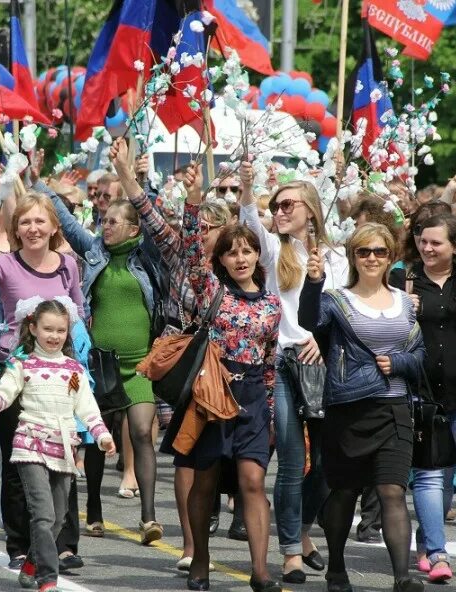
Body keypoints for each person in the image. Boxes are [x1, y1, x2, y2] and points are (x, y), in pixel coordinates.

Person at [0, 191, 84, 571]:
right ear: (16, 229)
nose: (33, 228)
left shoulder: (68, 267)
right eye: (25, 222)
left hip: (60, 376)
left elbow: (77, 311)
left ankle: (64, 543)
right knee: (18, 459)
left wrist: (77, 366)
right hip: (15, 372)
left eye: (40, 221)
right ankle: (20, 544)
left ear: (54, 227)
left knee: (62, 454)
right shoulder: (5, 265)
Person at [111, 145, 223, 569]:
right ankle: (192, 545)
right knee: (185, 451)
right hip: (181, 362)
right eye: (201, 223)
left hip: (224, 365)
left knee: (218, 458)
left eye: (214, 226)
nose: (204, 231)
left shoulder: (237, 262)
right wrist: (125, 172)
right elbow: (146, 208)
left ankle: (209, 521)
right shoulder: (180, 251)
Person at [43, 155, 165, 545]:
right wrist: (40, 181)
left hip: (141, 364)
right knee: (99, 436)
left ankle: (148, 517)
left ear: (133, 227)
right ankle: (93, 506)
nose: (104, 226)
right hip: (100, 365)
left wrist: (138, 175)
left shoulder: (148, 256)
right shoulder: (94, 250)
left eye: (113, 221)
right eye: (104, 220)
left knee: (143, 432)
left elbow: (155, 215)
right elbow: (65, 219)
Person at [299, 223, 426, 592]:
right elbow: (307, 321)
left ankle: (402, 576)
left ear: (390, 257)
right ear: (354, 257)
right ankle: (336, 568)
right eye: (363, 252)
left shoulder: (404, 301)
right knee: (344, 492)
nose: (372, 258)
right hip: (349, 408)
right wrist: (313, 282)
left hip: (395, 409)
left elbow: (418, 352)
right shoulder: (336, 299)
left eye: (380, 252)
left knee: (392, 491)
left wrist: (398, 363)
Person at [237, 162, 348, 583]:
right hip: (281, 363)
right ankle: (289, 553)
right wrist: (249, 190)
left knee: (325, 464)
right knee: (290, 458)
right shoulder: (272, 249)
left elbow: (345, 308)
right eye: (276, 204)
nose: (279, 211)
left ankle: (302, 530)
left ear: (311, 210)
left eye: (287, 204)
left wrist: (323, 337)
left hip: (325, 364)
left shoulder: (336, 256)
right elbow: (250, 222)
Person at [175, 165, 281, 592]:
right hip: (211, 393)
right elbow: (188, 254)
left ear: (257, 256)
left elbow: (271, 359)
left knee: (253, 480)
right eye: (231, 252)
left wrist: (269, 412)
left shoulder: (272, 304)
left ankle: (260, 571)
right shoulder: (211, 292)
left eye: (247, 251)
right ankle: (200, 559)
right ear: (220, 259)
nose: (240, 258)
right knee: (204, 481)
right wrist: (193, 202)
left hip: (253, 396)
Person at [0, 298, 116, 592]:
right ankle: (48, 578)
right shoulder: (21, 364)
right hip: (29, 446)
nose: (54, 336)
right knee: (42, 515)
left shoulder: (74, 370)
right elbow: (5, 394)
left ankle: (32, 562)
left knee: (57, 519)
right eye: (48, 329)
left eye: (61, 330)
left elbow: (88, 408)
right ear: (33, 328)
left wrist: (103, 436)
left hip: (64, 449)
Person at [389, 213, 456, 583]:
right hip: (420, 394)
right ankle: (437, 551)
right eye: (422, 240)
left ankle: (426, 537)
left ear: (455, 246)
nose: (427, 248)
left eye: (436, 242)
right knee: (430, 474)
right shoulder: (403, 279)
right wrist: (403, 307)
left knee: (447, 471)